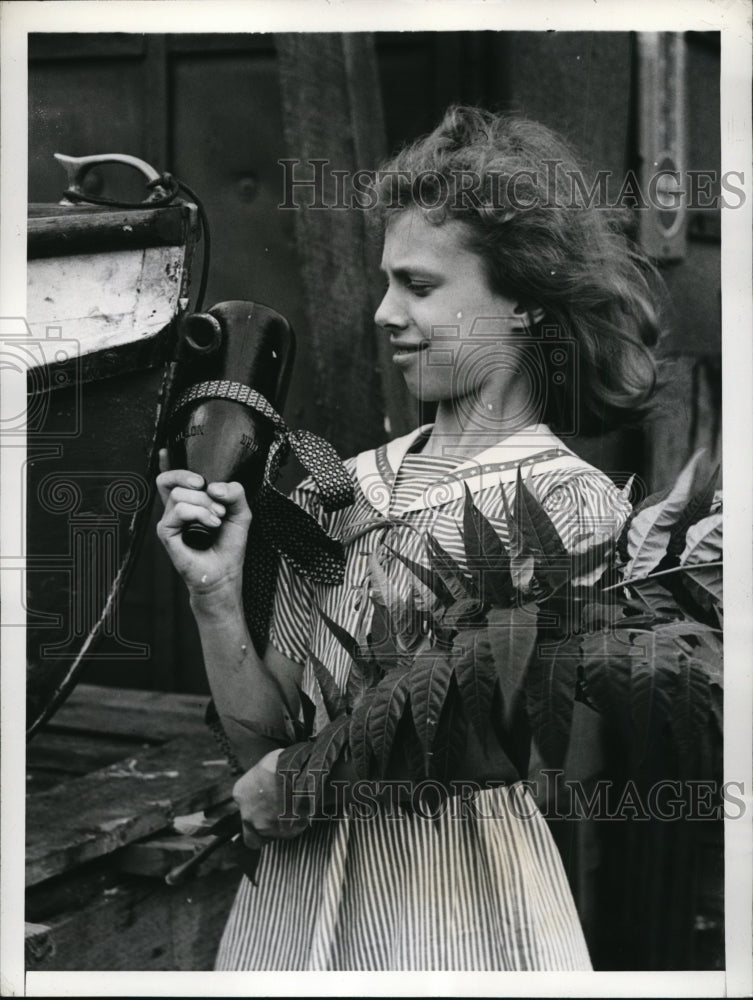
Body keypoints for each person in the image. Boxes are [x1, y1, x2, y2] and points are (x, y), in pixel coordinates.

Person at [156, 106, 660, 970]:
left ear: (526, 305)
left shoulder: (571, 506)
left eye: (420, 287)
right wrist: (214, 593)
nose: (383, 312)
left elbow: (535, 755)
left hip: (452, 909)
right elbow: (265, 738)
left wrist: (306, 781)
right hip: (292, 908)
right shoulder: (341, 484)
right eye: (386, 282)